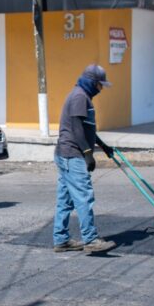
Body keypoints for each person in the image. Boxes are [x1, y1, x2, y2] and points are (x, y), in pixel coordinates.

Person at [53, 64, 116, 254]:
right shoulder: (80, 96)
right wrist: (88, 153)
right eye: (100, 85)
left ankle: (61, 239)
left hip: (67, 154)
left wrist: (102, 146)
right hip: (72, 154)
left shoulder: (82, 95)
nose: (101, 89)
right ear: (92, 82)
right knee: (84, 196)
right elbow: (76, 127)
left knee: (65, 200)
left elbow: (87, 128)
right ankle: (90, 239)